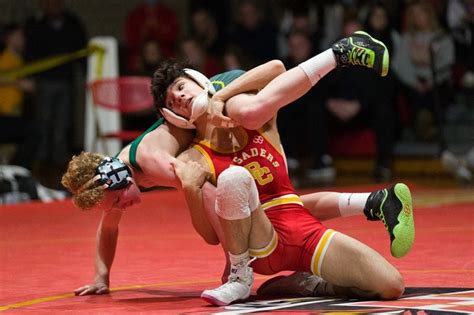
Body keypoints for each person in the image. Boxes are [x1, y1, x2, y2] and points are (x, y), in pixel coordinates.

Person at [63, 32, 413, 298]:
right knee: (248, 185)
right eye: (175, 100)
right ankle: (371, 203)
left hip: (222, 100)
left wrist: (233, 260)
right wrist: (101, 277)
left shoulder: (155, 158)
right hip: (266, 209)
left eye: (117, 202)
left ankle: (341, 52)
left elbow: (277, 69)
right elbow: (110, 227)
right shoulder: (135, 170)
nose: (122, 207)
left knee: (245, 136)